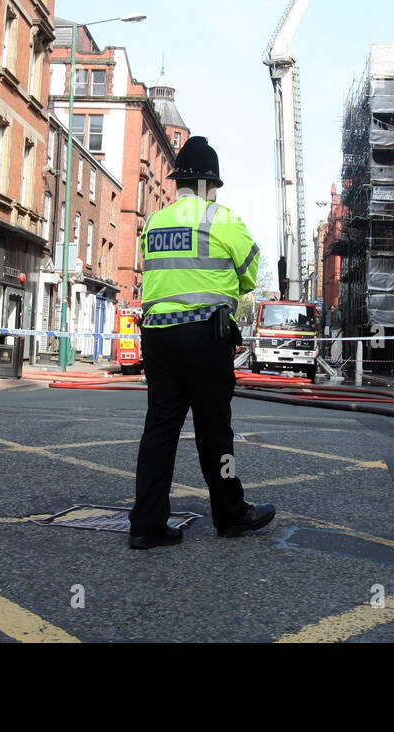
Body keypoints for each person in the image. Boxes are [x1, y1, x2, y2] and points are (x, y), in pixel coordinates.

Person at [128, 135, 275, 549]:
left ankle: (147, 523)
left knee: (159, 429)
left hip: (156, 334)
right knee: (215, 433)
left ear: (177, 183)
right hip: (204, 334)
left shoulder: (154, 223)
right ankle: (230, 514)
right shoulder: (220, 218)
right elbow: (248, 273)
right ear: (210, 184)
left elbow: (153, 274)